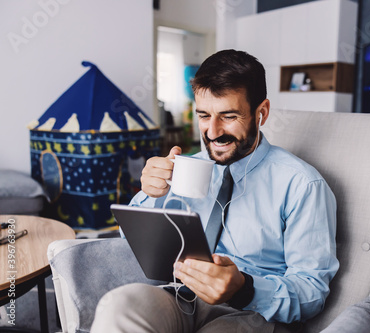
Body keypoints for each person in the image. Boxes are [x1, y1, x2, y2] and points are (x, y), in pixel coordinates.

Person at [91, 49, 339, 332]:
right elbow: (129, 240)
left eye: (228, 116)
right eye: (204, 115)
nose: (212, 131)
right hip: (181, 297)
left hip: (252, 313)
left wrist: (245, 290)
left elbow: (312, 293)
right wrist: (149, 193)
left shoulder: (302, 185)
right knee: (119, 304)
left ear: (262, 113)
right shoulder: (185, 169)